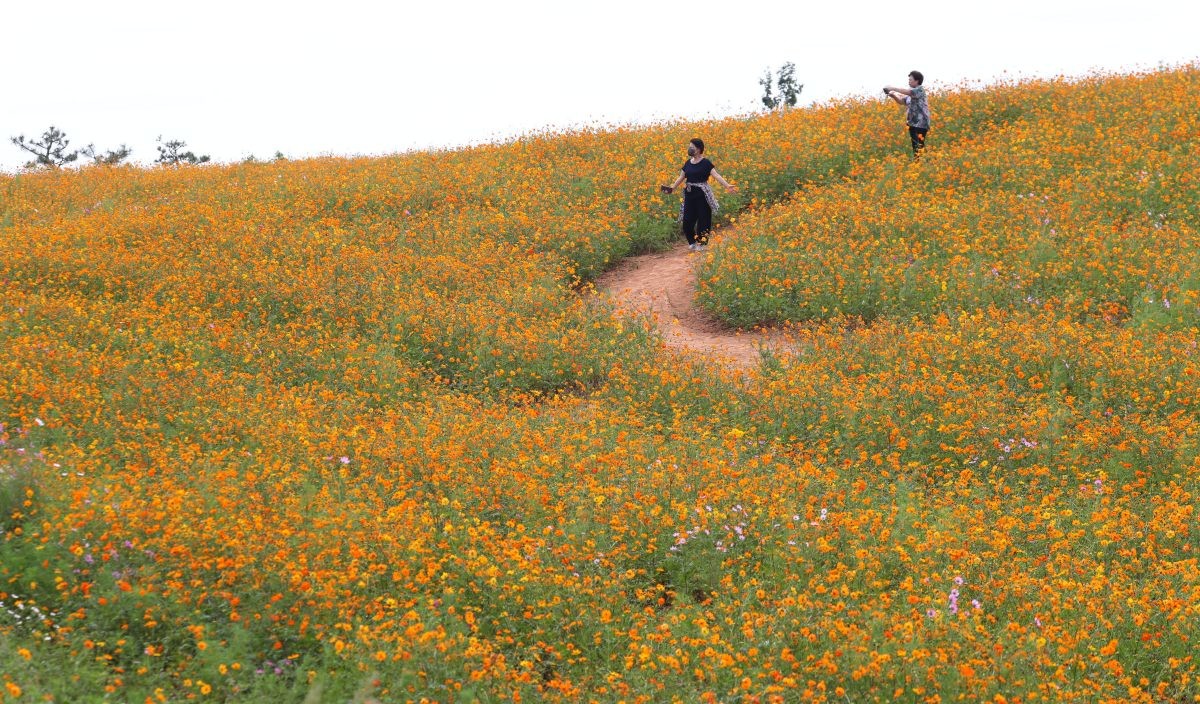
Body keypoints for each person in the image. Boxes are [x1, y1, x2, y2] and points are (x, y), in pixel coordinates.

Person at [659, 138, 737, 251]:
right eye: (689, 146)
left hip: (702, 195)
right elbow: (681, 177)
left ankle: (702, 244)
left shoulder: (706, 163)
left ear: (699, 149)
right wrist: (672, 188)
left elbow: (716, 175)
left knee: (703, 219)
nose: (689, 148)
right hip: (689, 194)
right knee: (687, 220)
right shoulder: (688, 162)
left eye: (692, 147)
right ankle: (692, 242)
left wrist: (727, 185)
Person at [884, 70, 930, 157]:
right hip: (912, 123)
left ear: (917, 81)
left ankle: (923, 163)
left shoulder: (920, 90)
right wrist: (893, 95)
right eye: (909, 79)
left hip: (921, 123)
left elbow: (908, 92)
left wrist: (892, 88)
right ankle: (922, 163)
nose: (909, 81)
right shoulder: (911, 93)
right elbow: (902, 101)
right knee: (916, 146)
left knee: (918, 145)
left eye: (910, 80)